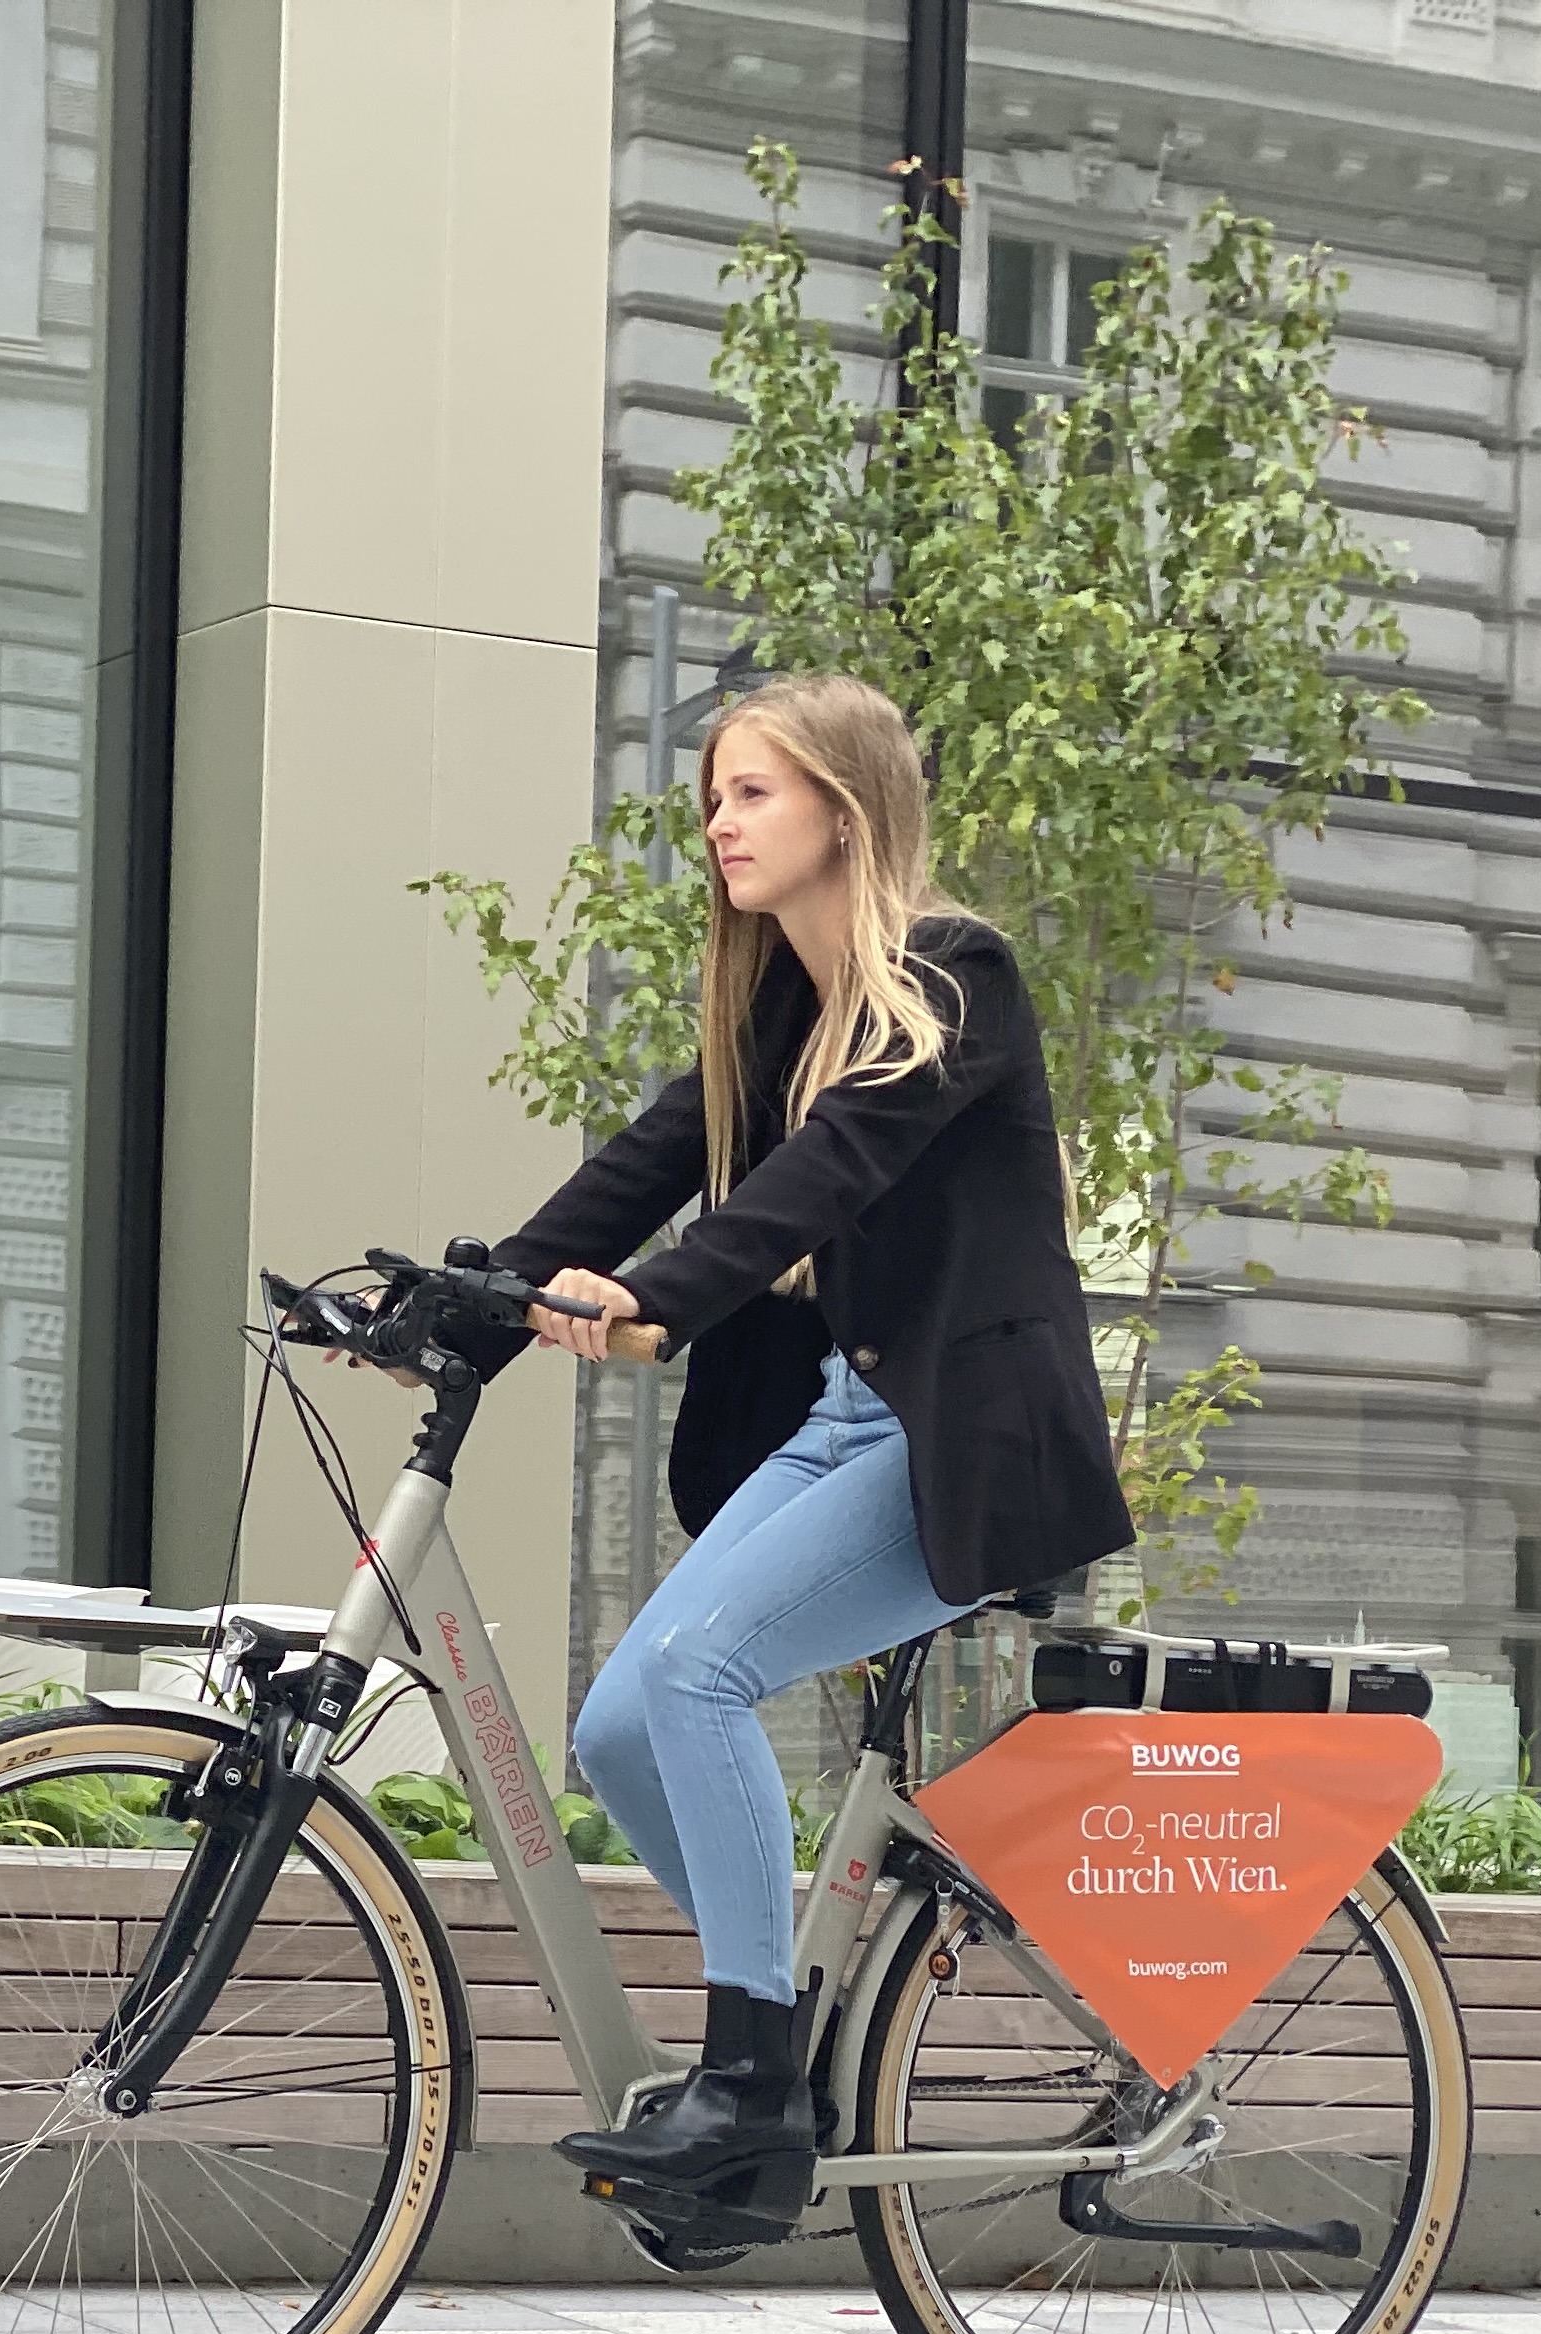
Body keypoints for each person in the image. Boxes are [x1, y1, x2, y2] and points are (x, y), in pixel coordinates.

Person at [477, 671, 1135, 2222]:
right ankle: (769, 2028)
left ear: (845, 811)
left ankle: (750, 2077)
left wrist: (656, 1299)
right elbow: (647, 1164)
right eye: (713, 795)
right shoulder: (778, 1009)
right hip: (837, 1421)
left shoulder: (952, 979)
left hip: (952, 1441)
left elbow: (823, 1181)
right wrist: (470, 1304)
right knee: (622, 1727)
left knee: (696, 1674)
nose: (719, 820)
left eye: (752, 792)